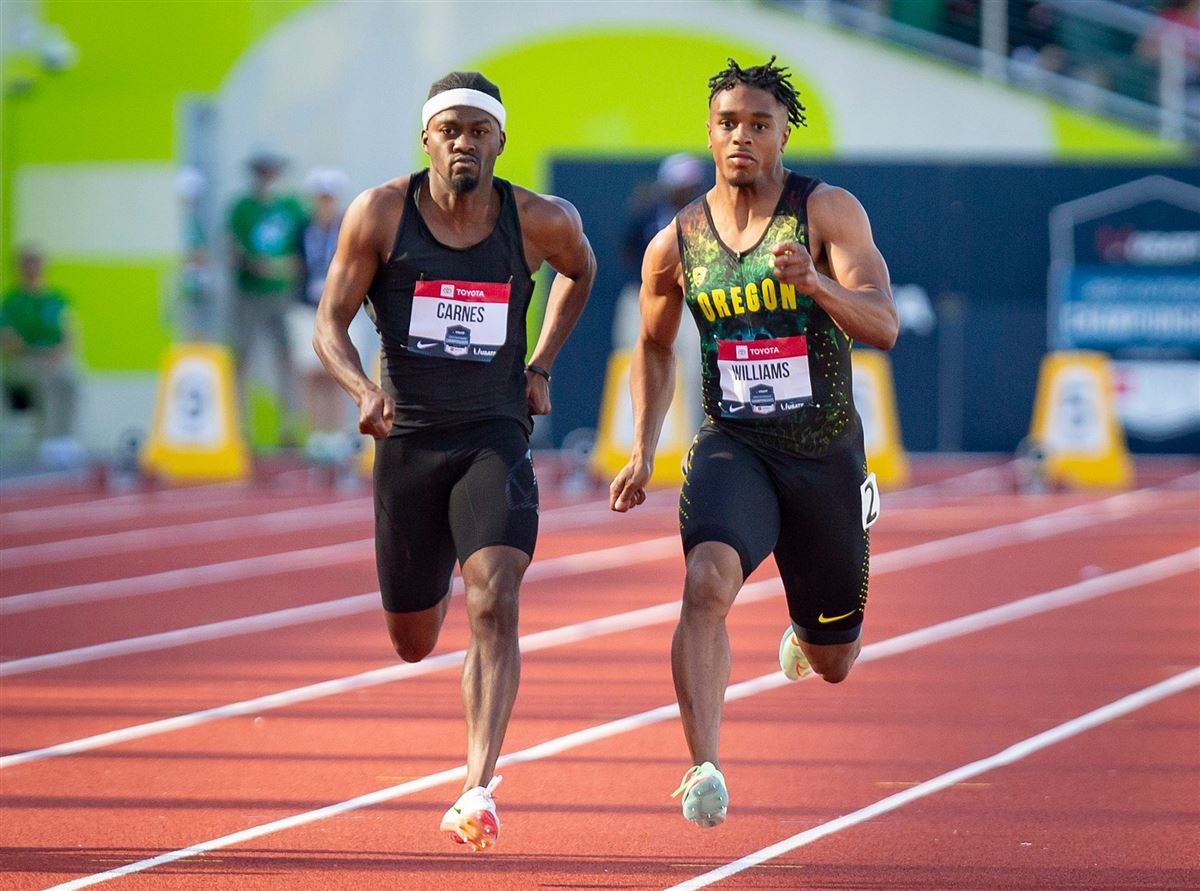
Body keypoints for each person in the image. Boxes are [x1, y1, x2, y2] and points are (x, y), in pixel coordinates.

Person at [609, 57, 898, 830]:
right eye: (728, 123)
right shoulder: (676, 242)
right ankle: (702, 763)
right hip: (735, 442)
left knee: (835, 662)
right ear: (709, 133)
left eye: (759, 124)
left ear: (782, 135)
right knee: (705, 581)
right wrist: (642, 446)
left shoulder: (826, 211)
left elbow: (884, 324)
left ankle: (809, 631)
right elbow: (653, 344)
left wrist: (818, 286)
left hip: (823, 450)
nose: (742, 136)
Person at [312, 71, 594, 851]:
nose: (464, 143)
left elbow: (583, 271)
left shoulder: (539, 219)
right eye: (450, 130)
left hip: (492, 434)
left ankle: (477, 783)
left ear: (501, 140)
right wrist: (361, 387)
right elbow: (329, 323)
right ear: (427, 138)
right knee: (412, 636)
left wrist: (540, 366)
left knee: (495, 596)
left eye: (480, 131)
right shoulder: (380, 214)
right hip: (406, 441)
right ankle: (430, 573)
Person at [227, 150, 308, 442]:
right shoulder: (242, 208)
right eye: (263, 171)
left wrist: (276, 267)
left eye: (271, 171)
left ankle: (289, 426)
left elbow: (304, 252)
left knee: (288, 360)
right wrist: (260, 265)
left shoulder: (293, 207)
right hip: (248, 294)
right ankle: (239, 428)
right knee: (242, 359)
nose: (268, 177)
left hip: (283, 296)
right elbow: (235, 250)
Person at [0, 245, 84, 467]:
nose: (32, 268)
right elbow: (10, 343)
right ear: (19, 268)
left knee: (70, 378)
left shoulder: (57, 299)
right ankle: (47, 441)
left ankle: (65, 439)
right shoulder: (11, 303)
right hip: (23, 362)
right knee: (45, 381)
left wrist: (59, 352)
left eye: (36, 262)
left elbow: (70, 333)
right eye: (27, 263)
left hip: (54, 359)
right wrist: (36, 352)